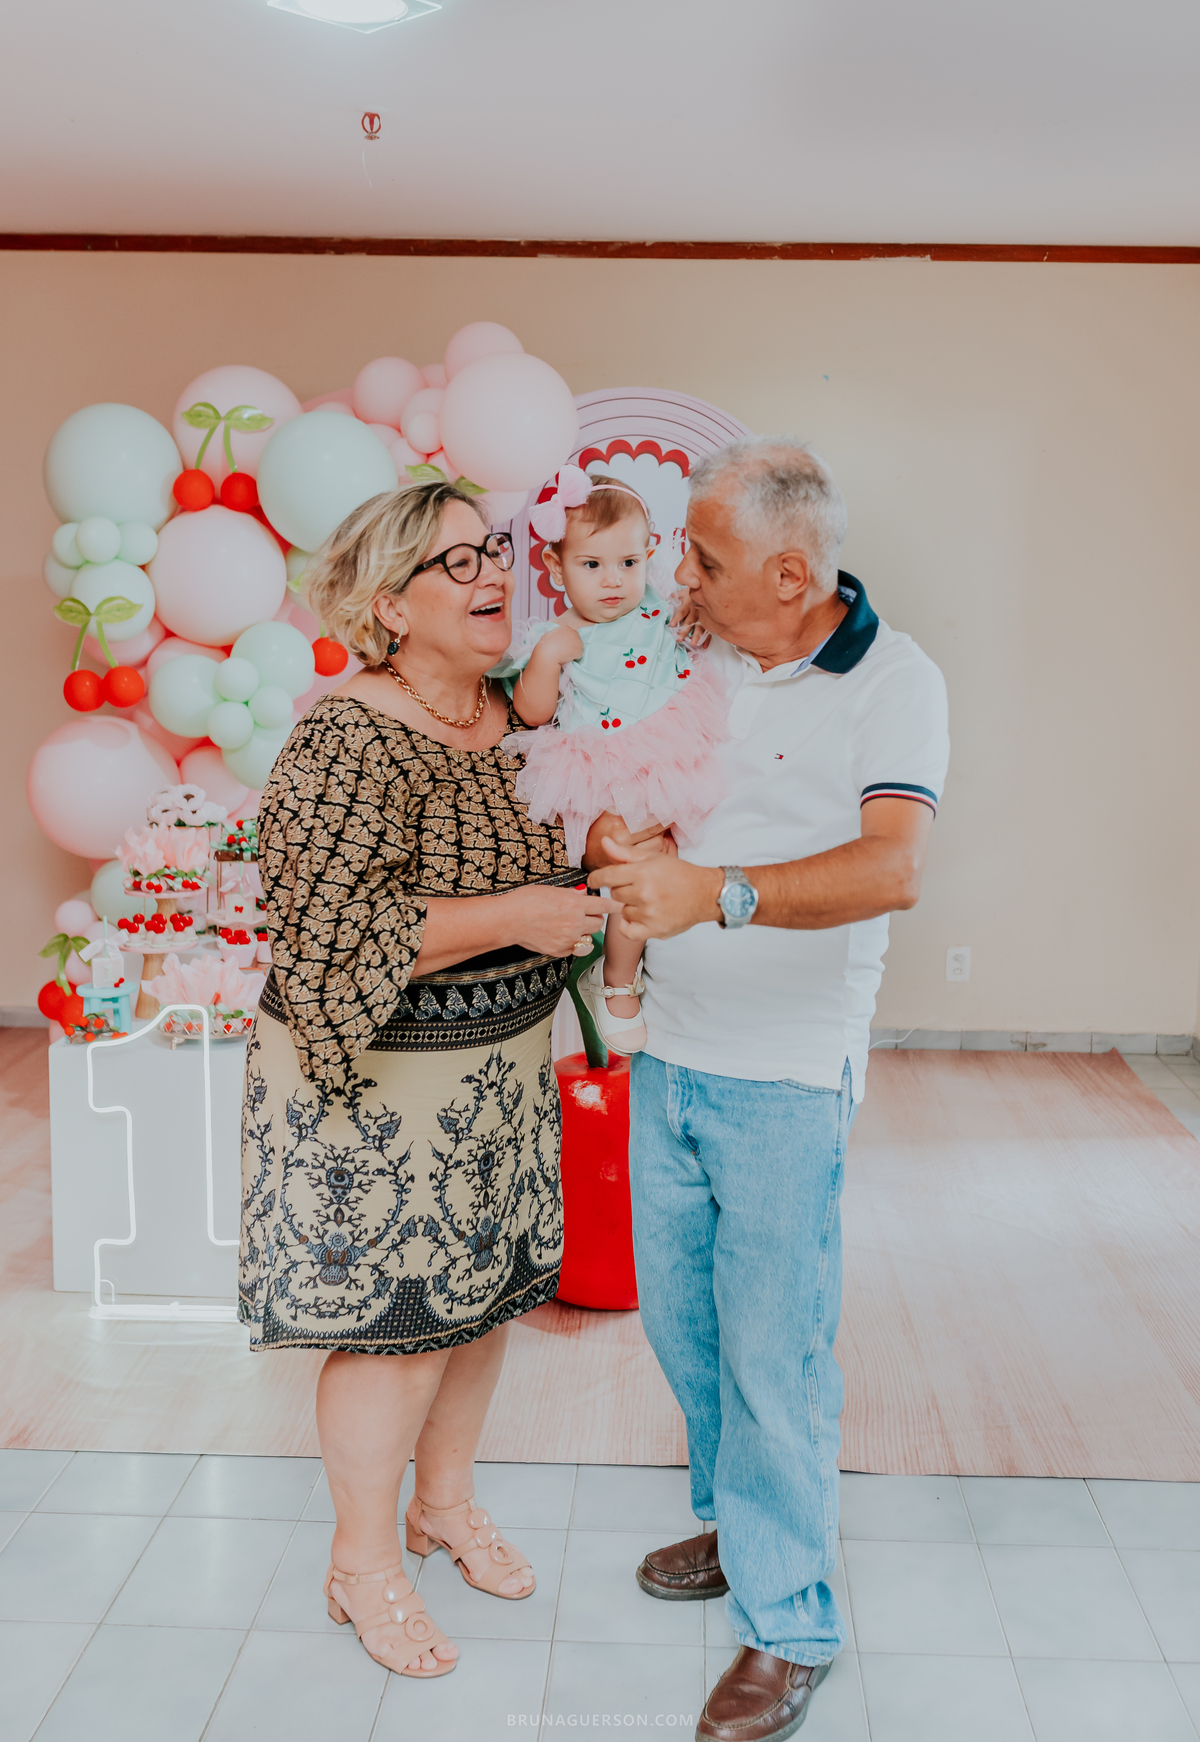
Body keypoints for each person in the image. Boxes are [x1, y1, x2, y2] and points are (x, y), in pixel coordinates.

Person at [587, 438, 950, 1742]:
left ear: (792, 571)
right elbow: (661, 814)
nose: (681, 571)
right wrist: (632, 841)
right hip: (673, 1053)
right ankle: (742, 1526)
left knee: (773, 1351)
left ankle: (789, 1623)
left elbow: (893, 867)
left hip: (787, 1080)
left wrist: (716, 894)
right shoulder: (706, 660)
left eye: (705, 553)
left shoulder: (894, 682)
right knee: (683, 1330)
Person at [238, 482, 617, 1680]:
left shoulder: (512, 716)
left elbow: (552, 849)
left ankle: (441, 1506)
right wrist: (521, 912)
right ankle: (361, 1563)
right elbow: (326, 933)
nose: (491, 572)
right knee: (393, 1330)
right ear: (391, 604)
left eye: (493, 551)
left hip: (495, 1077)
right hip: (371, 1088)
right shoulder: (347, 733)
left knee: (480, 1297)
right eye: (455, 562)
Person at [497, 466, 726, 1055]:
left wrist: (697, 616)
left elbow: (704, 627)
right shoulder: (558, 633)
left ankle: (646, 970)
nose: (613, 582)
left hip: (669, 754)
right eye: (591, 565)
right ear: (555, 568)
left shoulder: (662, 611)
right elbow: (529, 711)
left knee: (679, 855)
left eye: (628, 563)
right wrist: (547, 659)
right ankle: (619, 978)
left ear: (650, 555)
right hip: (600, 768)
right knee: (634, 861)